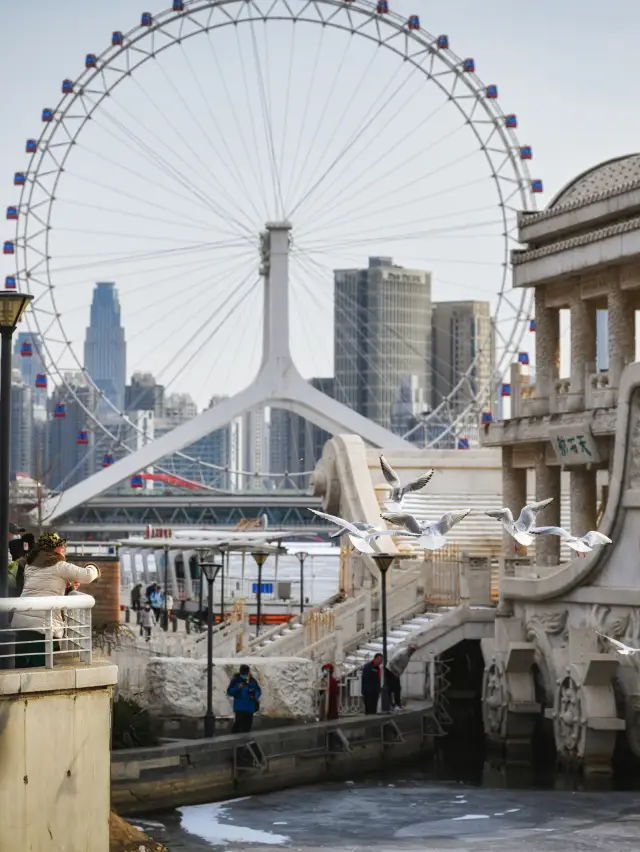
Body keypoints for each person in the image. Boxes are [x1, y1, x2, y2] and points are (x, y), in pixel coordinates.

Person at [11, 532, 100, 668]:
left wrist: (67, 585)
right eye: (60, 546)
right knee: (42, 669)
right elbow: (87, 576)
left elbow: (41, 587)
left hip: (21, 624)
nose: (63, 548)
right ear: (52, 549)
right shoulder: (61, 566)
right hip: (44, 628)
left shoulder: (30, 566)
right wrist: (93, 566)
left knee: (22, 666)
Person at [227, 664, 262, 733]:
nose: (244, 675)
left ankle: (245, 741)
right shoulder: (236, 680)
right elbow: (230, 692)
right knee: (238, 723)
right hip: (239, 707)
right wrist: (237, 688)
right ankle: (234, 739)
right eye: (243, 673)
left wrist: (254, 695)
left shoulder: (252, 680)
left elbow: (258, 691)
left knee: (247, 727)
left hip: (249, 707)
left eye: (246, 673)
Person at [385, 644, 417, 711]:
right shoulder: (402, 653)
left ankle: (398, 705)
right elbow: (391, 662)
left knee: (398, 688)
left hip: (396, 672)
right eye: (412, 649)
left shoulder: (409, 654)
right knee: (390, 688)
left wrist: (399, 672)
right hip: (390, 671)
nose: (413, 651)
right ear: (409, 648)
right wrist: (398, 670)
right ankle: (391, 705)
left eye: (414, 650)